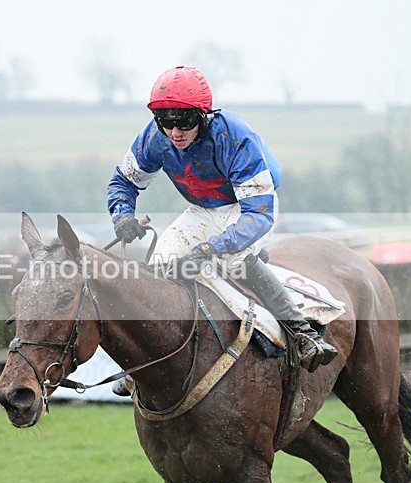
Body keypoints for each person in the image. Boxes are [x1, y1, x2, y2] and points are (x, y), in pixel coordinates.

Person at [107, 66, 337, 379]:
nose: (174, 133)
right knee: (162, 264)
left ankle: (301, 334)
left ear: (203, 116)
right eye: (166, 122)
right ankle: (148, 363)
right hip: (202, 209)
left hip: (248, 207)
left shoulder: (235, 137)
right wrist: (122, 215)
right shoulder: (154, 137)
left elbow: (258, 215)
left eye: (184, 122)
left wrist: (212, 248)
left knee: (231, 258)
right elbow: (123, 181)